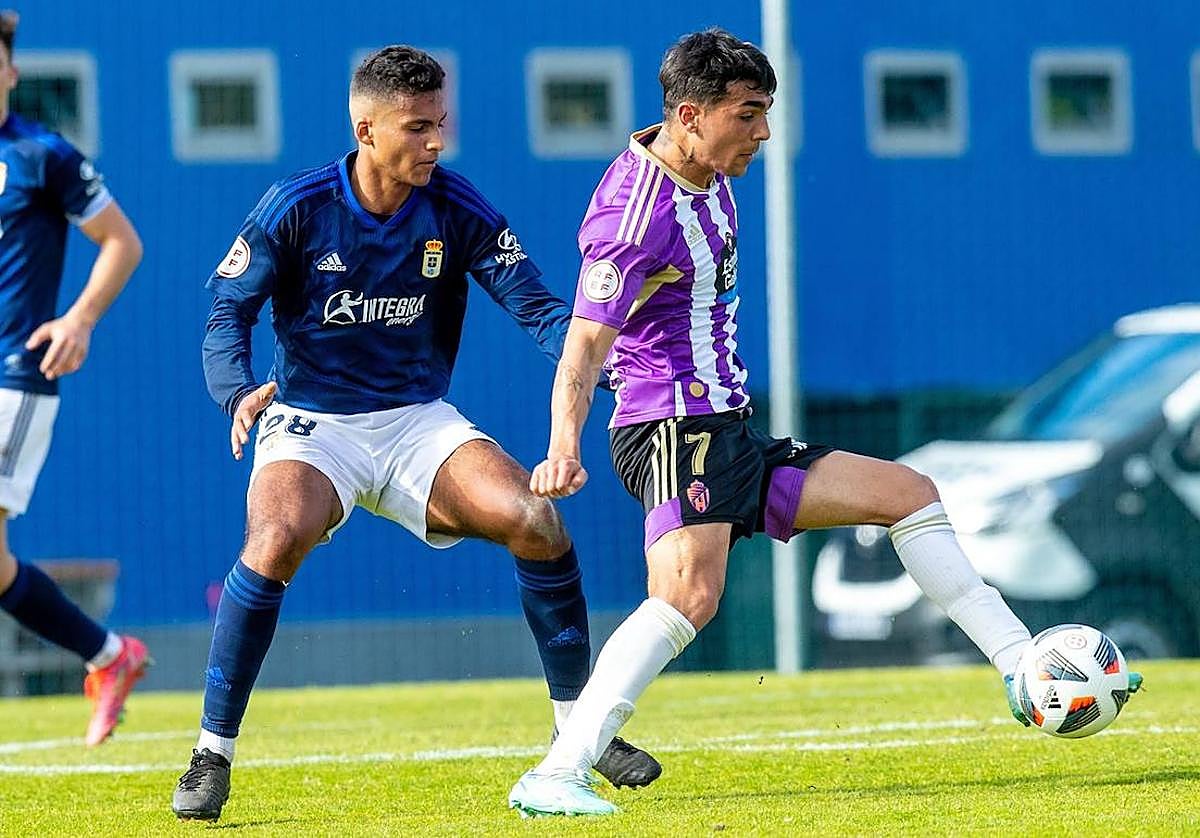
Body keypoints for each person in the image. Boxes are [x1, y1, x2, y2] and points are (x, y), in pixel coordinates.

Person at [507, 28, 1142, 817]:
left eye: (766, 111)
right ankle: (559, 770)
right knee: (687, 597)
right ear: (689, 114)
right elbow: (583, 346)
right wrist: (562, 445)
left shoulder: (705, 167)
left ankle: (1021, 669)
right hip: (672, 429)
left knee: (906, 492)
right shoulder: (634, 217)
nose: (763, 133)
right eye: (748, 114)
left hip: (727, 427)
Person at [172, 45, 659, 822]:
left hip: (415, 423)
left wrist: (612, 369)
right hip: (311, 422)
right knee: (274, 540)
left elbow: (537, 307)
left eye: (440, 125)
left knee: (536, 521)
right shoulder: (295, 206)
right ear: (366, 129)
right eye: (417, 127)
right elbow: (227, 312)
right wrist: (236, 393)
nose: (434, 142)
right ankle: (211, 754)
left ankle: (580, 736)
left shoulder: (456, 207)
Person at [0, 10, 149, 747]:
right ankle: (110, 654)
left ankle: (109, 655)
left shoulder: (42, 155)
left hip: (14, 373)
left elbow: (122, 242)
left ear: (9, 71)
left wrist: (79, 320)